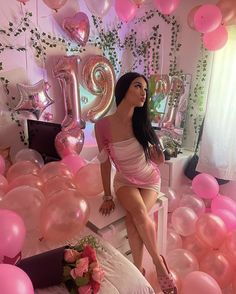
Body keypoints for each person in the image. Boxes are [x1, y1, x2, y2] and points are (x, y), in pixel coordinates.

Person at [94, 72, 177, 294]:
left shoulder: (142, 123)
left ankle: (138, 271)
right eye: (138, 86)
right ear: (123, 89)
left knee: (134, 219)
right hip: (125, 181)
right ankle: (160, 266)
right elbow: (104, 164)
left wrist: (158, 153)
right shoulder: (102, 126)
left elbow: (158, 161)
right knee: (139, 212)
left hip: (149, 179)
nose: (143, 93)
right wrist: (107, 195)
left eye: (145, 89)